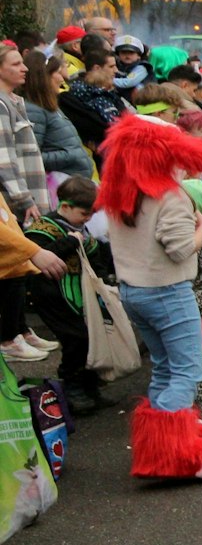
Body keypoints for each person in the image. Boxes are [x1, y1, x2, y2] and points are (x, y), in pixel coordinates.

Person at [96, 115, 202, 480]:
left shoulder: (119, 191)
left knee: (163, 367)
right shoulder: (170, 197)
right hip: (169, 293)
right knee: (187, 372)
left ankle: (157, 448)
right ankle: (171, 453)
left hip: (134, 293)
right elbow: (179, 251)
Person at [23, 176, 112, 415]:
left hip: (81, 297)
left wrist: (106, 282)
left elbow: (96, 258)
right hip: (52, 297)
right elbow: (38, 259)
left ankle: (90, 386)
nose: (89, 219)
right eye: (85, 213)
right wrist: (69, 243)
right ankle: (71, 389)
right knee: (75, 340)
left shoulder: (80, 227)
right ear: (65, 206)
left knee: (90, 338)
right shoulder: (43, 229)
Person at [0, 45, 54, 362]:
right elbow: (4, 157)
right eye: (16, 63)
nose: (24, 68)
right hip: (12, 199)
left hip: (22, 196)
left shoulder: (14, 101)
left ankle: (19, 329)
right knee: (14, 266)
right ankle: (9, 336)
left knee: (21, 265)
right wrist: (23, 198)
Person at [21, 48, 93, 179]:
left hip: (74, 181)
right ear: (44, 76)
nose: (62, 78)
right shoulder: (34, 110)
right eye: (58, 73)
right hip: (61, 186)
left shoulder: (49, 105)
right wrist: (72, 154)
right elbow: (32, 157)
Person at [60, 42, 134, 154]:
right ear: (97, 68)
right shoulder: (90, 95)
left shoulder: (106, 91)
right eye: (111, 66)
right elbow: (110, 126)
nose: (116, 71)